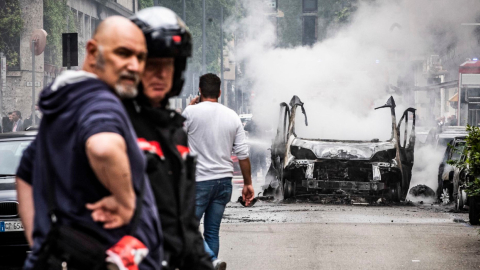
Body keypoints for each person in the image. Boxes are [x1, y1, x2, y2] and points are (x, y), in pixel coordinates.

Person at [15, 16, 162, 270]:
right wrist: (127, 203)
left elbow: (26, 175)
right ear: (93, 52)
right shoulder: (101, 102)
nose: (135, 66)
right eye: (124, 53)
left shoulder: (66, 106)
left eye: (140, 57)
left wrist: (40, 243)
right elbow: (102, 147)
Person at [125, 7, 213, 270]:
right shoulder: (115, 125)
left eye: (169, 65)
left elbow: (183, 223)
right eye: (151, 64)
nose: (161, 73)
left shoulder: (175, 131)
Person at [182, 73, 255, 270]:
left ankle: (211, 261)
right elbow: (242, 154)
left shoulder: (190, 113)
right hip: (224, 182)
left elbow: (175, 138)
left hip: (199, 181)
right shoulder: (232, 116)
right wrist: (248, 184)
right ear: (220, 92)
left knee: (186, 227)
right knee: (212, 231)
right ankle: (211, 263)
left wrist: (189, 107)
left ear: (199, 91)